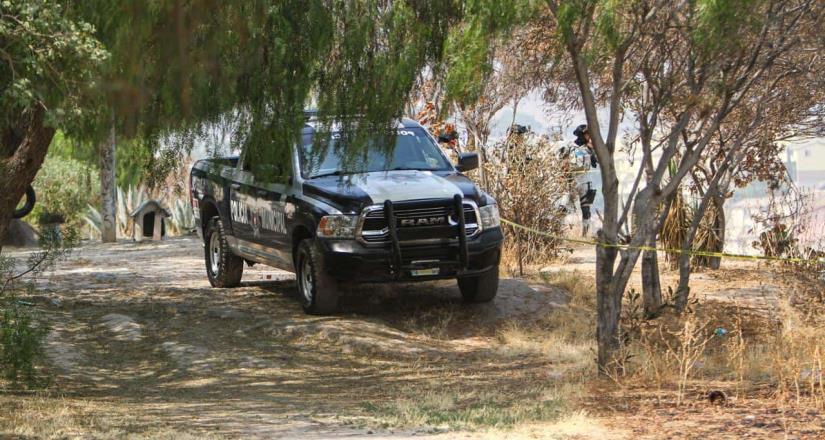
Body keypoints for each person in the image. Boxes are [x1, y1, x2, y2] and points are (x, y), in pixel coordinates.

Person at [559, 124, 599, 236]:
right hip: (570, 182)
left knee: (586, 210)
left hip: (584, 182)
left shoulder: (589, 149)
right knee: (563, 208)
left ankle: (584, 235)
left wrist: (592, 152)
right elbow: (561, 160)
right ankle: (559, 232)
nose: (589, 136)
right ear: (582, 134)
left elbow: (595, 163)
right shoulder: (570, 147)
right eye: (587, 134)